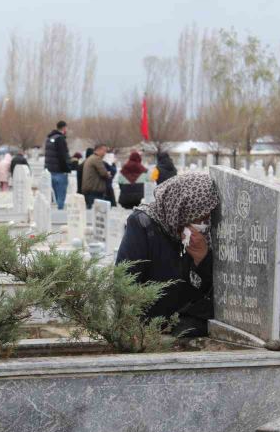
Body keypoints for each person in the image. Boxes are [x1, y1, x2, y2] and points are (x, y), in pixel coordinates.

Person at [116, 173, 219, 337]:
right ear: (181, 208)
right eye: (199, 216)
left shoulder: (199, 236)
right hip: (147, 327)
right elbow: (126, 280)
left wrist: (202, 258)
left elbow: (207, 289)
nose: (204, 223)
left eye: (208, 216)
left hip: (185, 322)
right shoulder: (143, 224)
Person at [44, 120, 72, 209]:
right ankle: (60, 212)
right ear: (64, 128)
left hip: (50, 171)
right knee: (61, 194)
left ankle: (56, 212)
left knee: (56, 195)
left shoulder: (49, 139)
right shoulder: (60, 139)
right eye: (66, 128)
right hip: (60, 171)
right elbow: (62, 156)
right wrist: (67, 169)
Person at [81, 143, 111, 209]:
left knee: (90, 210)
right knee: (96, 212)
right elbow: (104, 173)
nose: (105, 153)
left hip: (89, 189)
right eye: (104, 151)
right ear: (99, 150)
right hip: (95, 190)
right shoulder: (97, 159)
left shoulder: (90, 158)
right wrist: (108, 174)